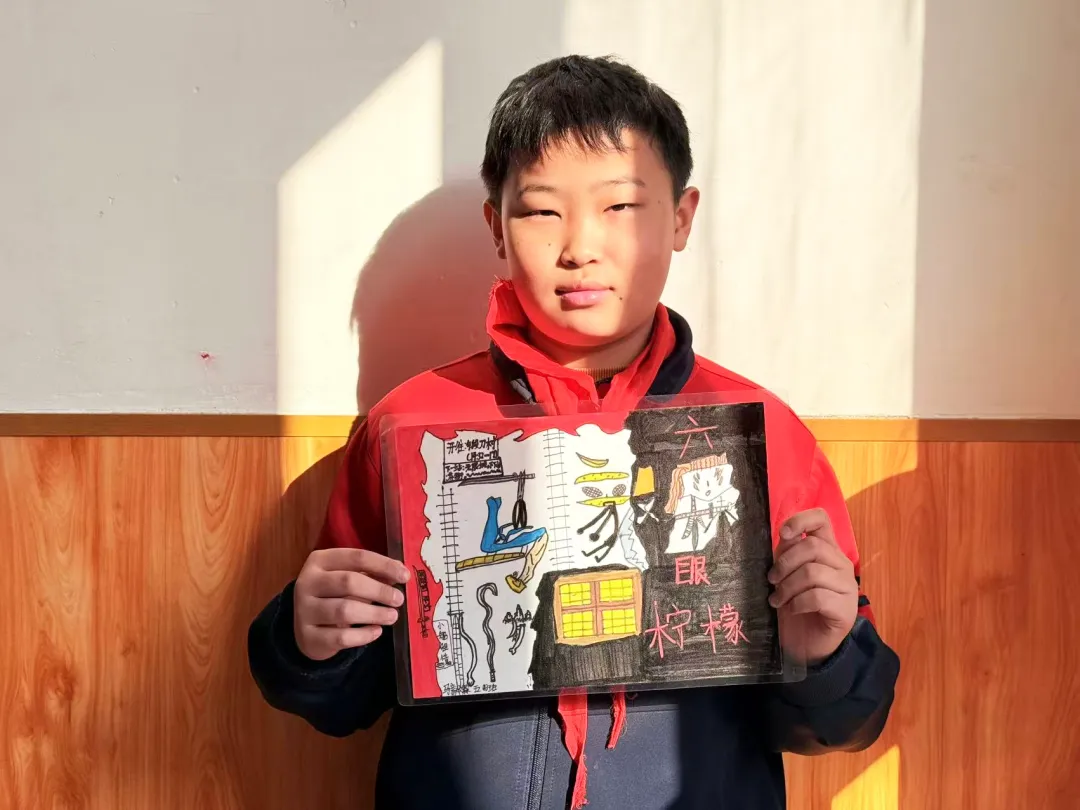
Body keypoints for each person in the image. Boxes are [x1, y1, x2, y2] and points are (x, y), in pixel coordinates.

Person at [247, 54, 900, 810]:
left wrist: (826, 656)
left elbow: (844, 723)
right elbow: (344, 701)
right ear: (496, 227)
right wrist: (307, 641)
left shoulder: (758, 432)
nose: (580, 246)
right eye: (541, 211)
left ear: (681, 217)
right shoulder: (414, 427)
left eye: (621, 206)